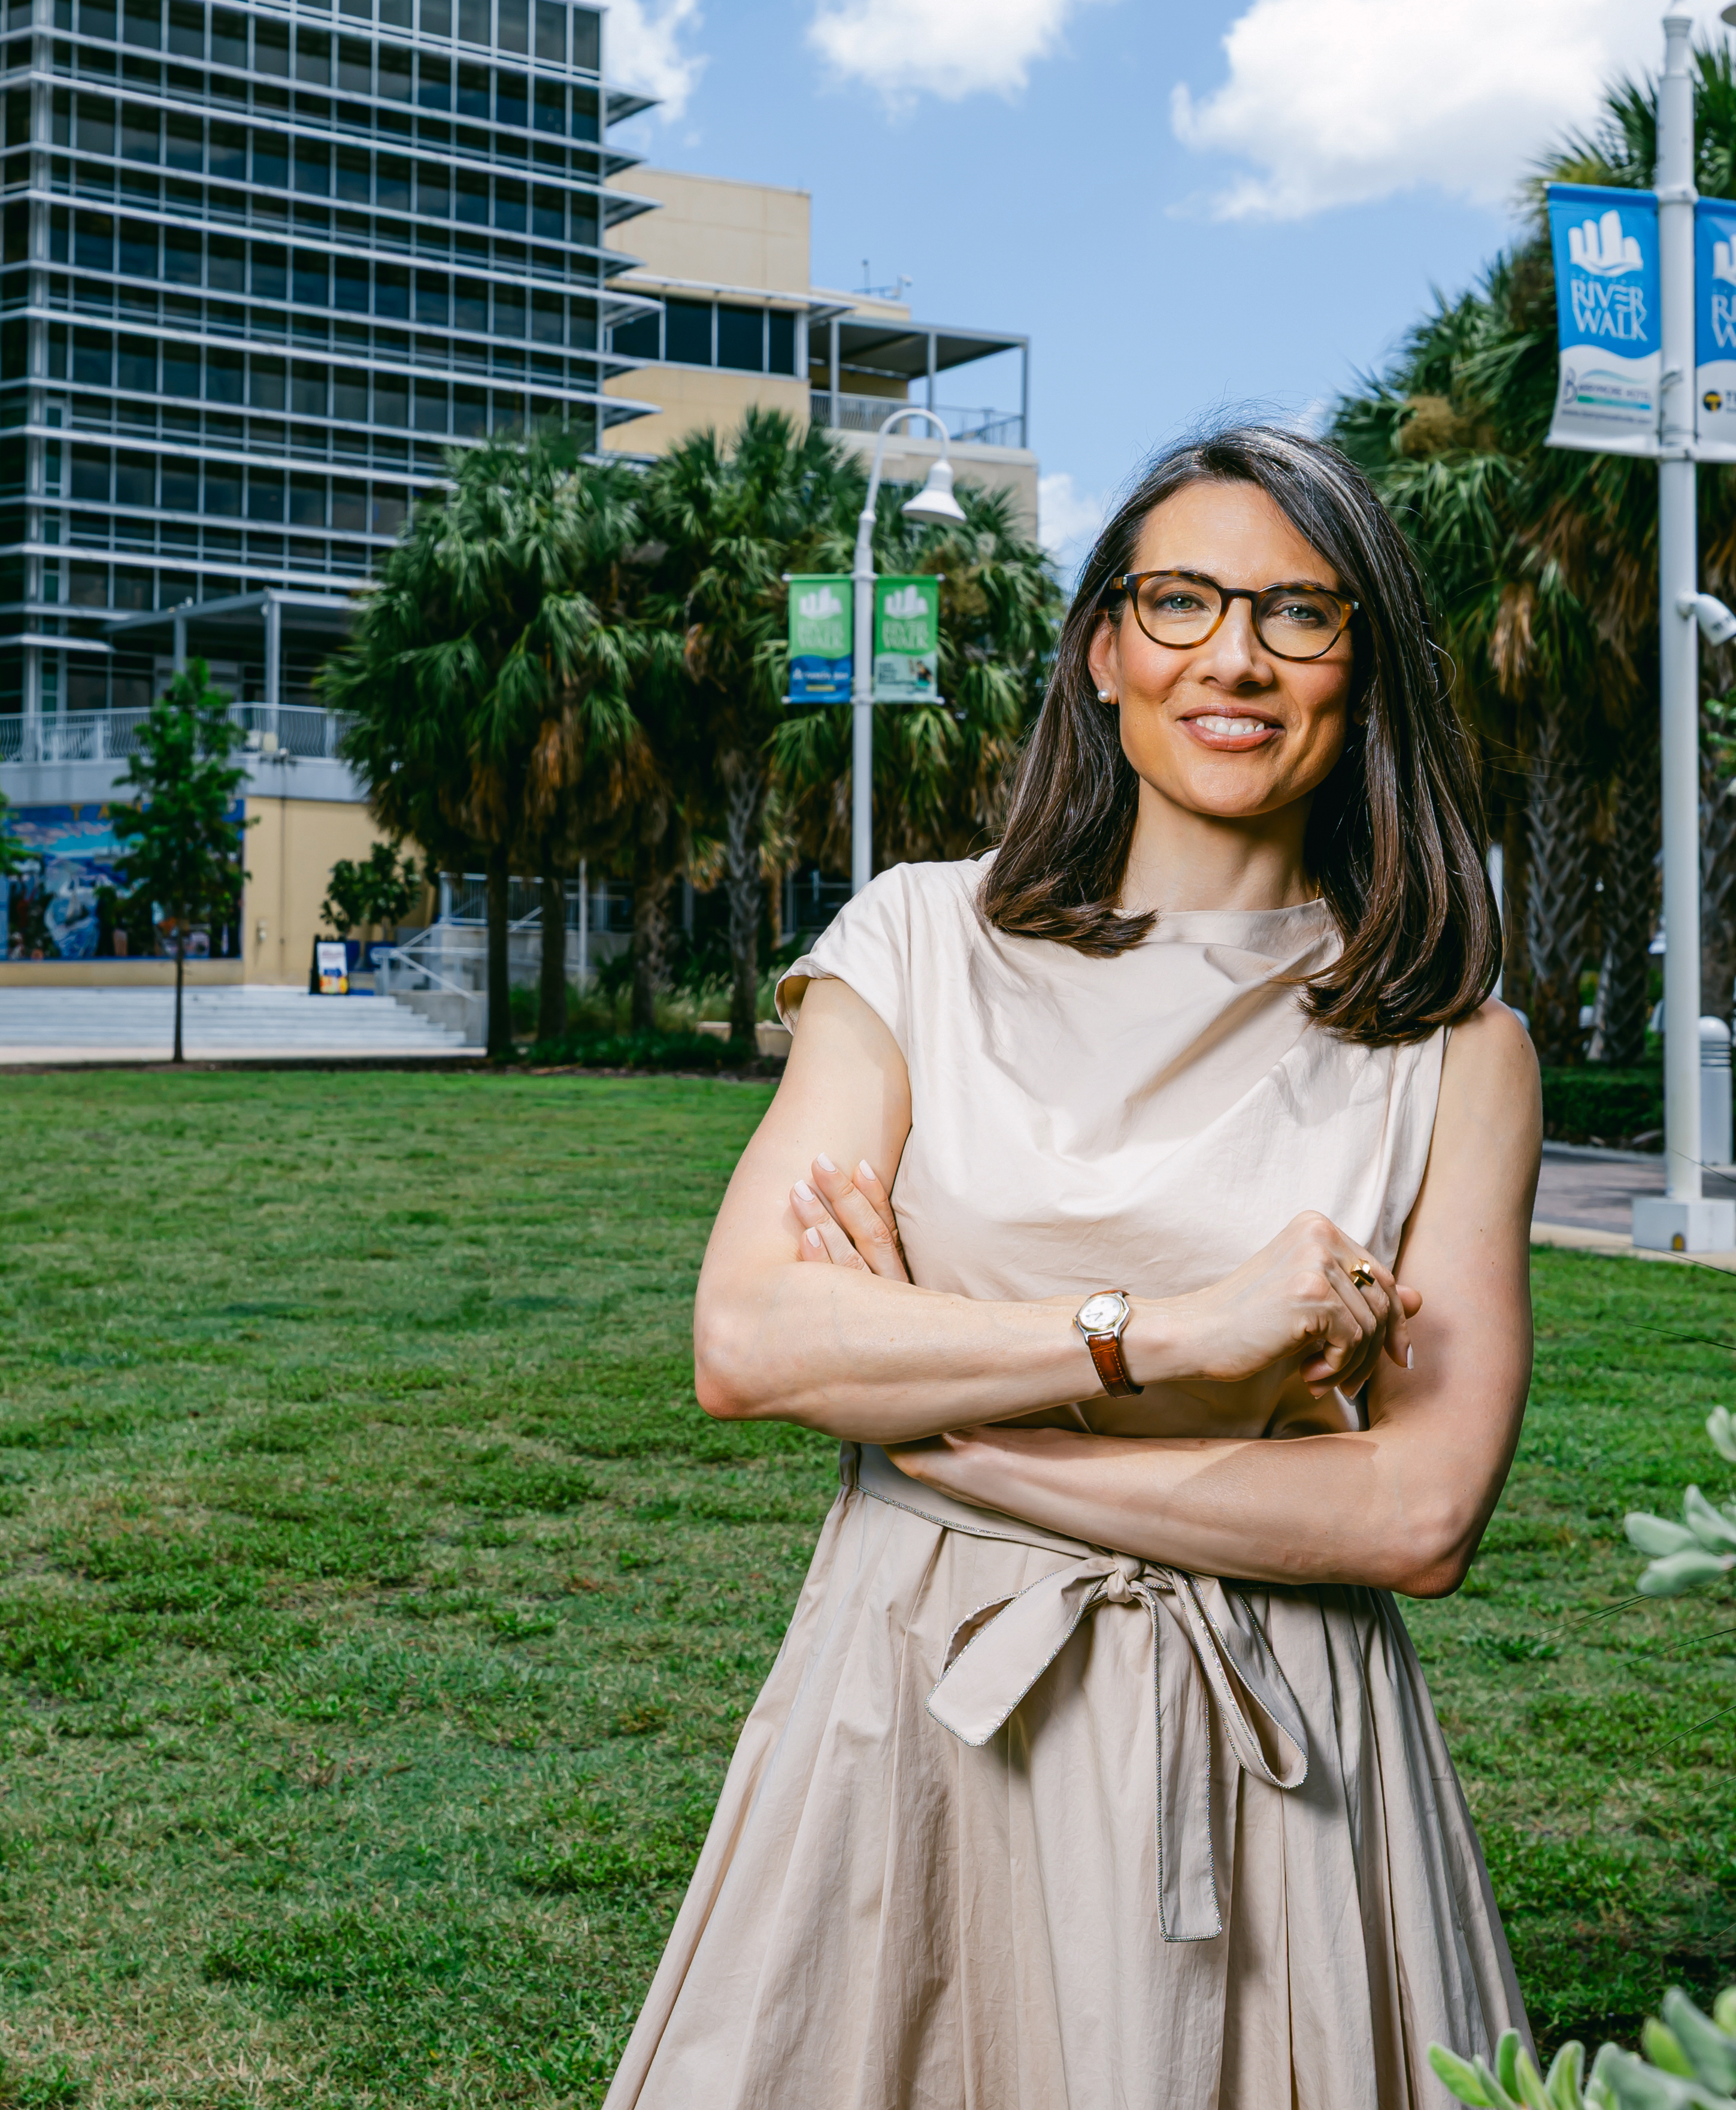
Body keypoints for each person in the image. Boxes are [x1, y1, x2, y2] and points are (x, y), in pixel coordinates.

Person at [608, 425, 1543, 2110]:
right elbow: (749, 1336)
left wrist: (961, 1429)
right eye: (1179, 600)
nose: (1232, 658)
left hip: (1287, 1757)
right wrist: (1175, 1334)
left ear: (1364, 666)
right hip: (917, 1717)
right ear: (1104, 650)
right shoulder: (915, 942)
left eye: (1297, 613)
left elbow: (1418, 1516)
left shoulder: (1455, 1045)